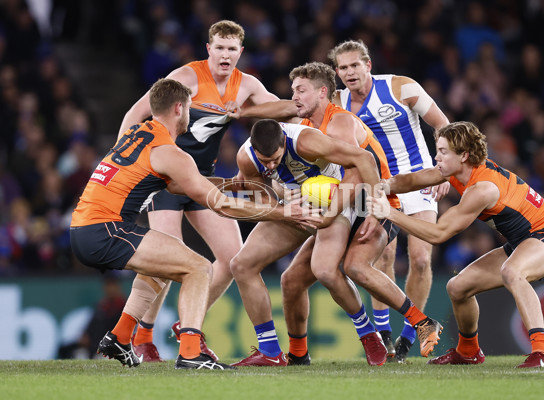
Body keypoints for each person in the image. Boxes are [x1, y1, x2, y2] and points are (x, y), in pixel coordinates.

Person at [70, 78, 320, 370]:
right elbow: (220, 204)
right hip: (106, 230)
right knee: (199, 267)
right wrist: (284, 213)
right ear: (179, 108)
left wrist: (229, 183)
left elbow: (178, 186)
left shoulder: (138, 134)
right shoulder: (169, 151)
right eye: (190, 107)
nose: (191, 114)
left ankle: (120, 337)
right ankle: (190, 352)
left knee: (164, 265)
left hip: (85, 227)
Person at [235, 62, 443, 366]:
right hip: (319, 203)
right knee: (279, 277)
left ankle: (391, 330)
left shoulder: (329, 128)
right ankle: (287, 354)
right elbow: (260, 197)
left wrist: (369, 211)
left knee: (341, 268)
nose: (293, 97)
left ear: (322, 93)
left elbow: (360, 168)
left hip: (359, 200)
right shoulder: (264, 147)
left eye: (300, 90)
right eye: (292, 91)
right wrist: (283, 208)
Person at [116, 20, 280, 362]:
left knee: (234, 257)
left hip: (200, 178)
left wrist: (248, 110)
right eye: (219, 47)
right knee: (165, 259)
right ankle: (143, 337)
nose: (225, 54)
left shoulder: (246, 84)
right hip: (163, 179)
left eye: (231, 49)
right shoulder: (187, 77)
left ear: (240, 53)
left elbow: (278, 108)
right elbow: (137, 110)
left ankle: (188, 326)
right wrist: (120, 156)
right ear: (208, 49)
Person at [367, 121, 544, 368]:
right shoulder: (459, 171)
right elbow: (412, 180)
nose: (436, 156)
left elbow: (439, 233)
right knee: (457, 287)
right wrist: (379, 186)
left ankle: (543, 352)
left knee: (512, 271)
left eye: (443, 151)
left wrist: (389, 212)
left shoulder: (482, 188)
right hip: (523, 241)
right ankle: (468, 351)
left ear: (463, 155)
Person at [230, 118, 388, 367]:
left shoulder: (306, 141)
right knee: (241, 265)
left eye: (275, 159)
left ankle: (369, 334)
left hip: (332, 202)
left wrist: (376, 209)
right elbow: (263, 198)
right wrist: (283, 210)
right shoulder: (246, 158)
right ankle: (270, 350)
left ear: (283, 142)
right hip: (295, 207)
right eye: (265, 161)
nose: (270, 166)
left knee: (325, 271)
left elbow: (364, 159)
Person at [329, 39, 450, 362]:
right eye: (343, 67)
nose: (350, 72)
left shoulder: (401, 87)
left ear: (368, 65)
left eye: (355, 65)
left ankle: (411, 333)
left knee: (421, 259)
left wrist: (446, 171)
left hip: (418, 179)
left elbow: (442, 125)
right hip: (375, 186)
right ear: (337, 72)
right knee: (380, 259)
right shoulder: (335, 101)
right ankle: (384, 334)